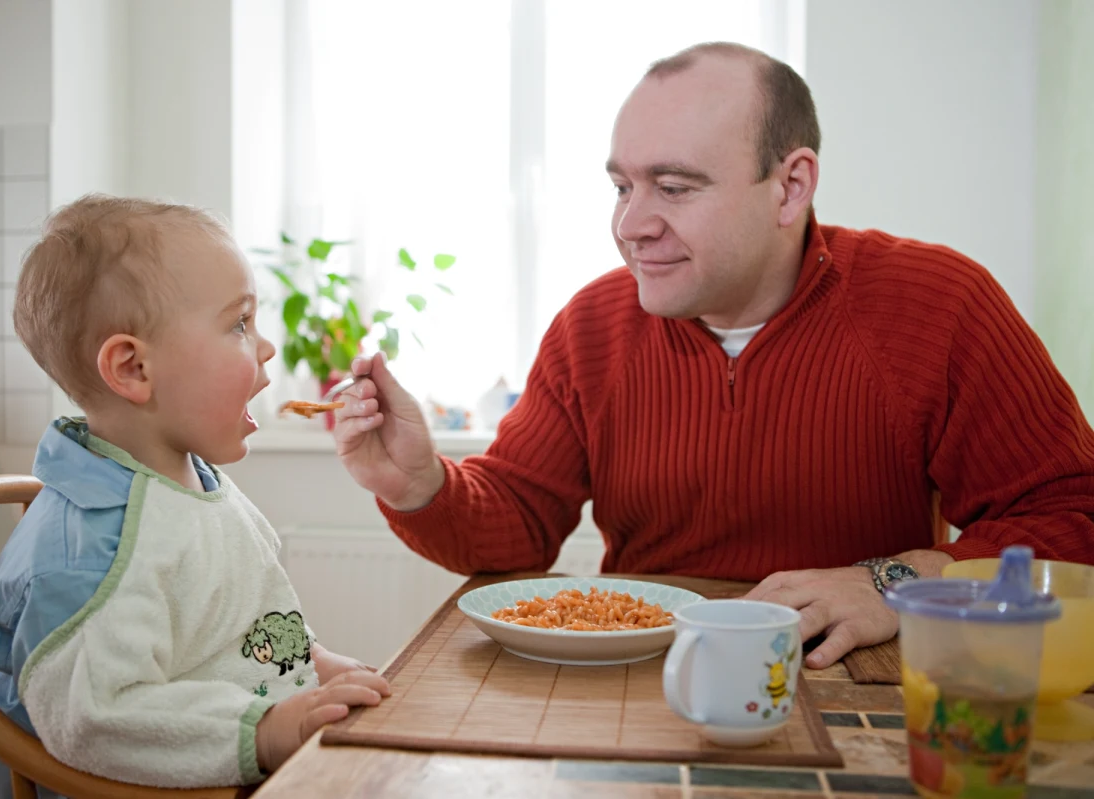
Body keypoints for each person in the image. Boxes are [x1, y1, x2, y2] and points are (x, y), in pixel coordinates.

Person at [331, 42, 1094, 670]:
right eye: (622, 185)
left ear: (790, 187)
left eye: (673, 186)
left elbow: (1072, 516)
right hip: (641, 679)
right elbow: (519, 524)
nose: (631, 223)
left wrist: (893, 580)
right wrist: (421, 484)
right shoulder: (591, 325)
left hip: (857, 674)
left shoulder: (941, 305)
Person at [0, 195, 389, 797]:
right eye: (239, 324)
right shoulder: (92, 553)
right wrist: (267, 732)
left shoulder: (198, 484)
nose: (266, 347)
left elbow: (249, 624)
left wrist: (319, 666)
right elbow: (100, 717)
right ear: (134, 368)